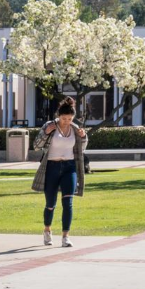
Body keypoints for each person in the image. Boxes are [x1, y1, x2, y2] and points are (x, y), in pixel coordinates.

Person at [30, 97, 88, 248]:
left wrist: (83, 137)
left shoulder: (75, 128)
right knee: (50, 204)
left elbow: (81, 148)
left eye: (69, 119)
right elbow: (36, 146)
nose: (66, 121)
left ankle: (65, 236)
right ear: (59, 115)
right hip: (51, 168)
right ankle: (47, 230)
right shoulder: (50, 126)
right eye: (64, 118)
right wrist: (45, 133)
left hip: (69, 167)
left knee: (68, 203)